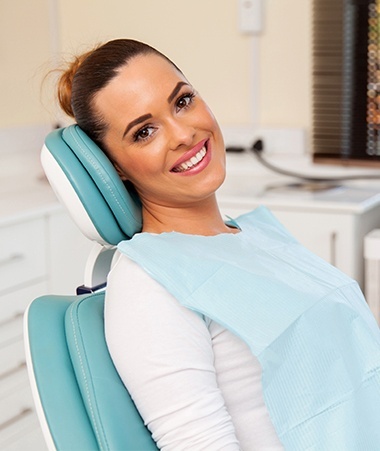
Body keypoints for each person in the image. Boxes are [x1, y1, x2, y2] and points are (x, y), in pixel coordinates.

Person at [56, 38, 380, 450]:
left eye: (183, 101)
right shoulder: (149, 285)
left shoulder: (255, 235)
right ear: (114, 167)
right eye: (144, 132)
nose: (183, 133)